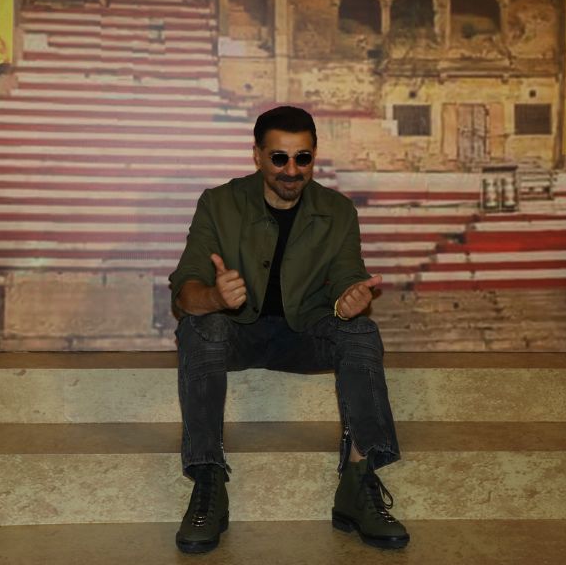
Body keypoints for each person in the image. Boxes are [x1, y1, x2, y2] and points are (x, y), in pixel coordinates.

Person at [168, 105, 409, 554]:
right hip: (236, 333)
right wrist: (216, 297)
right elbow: (186, 293)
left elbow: (346, 276)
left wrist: (349, 299)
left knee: (361, 332)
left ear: (314, 156)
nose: (292, 170)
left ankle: (359, 482)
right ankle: (207, 483)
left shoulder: (338, 210)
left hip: (305, 335)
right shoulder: (218, 203)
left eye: (303, 158)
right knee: (202, 328)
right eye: (279, 158)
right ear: (257, 155)